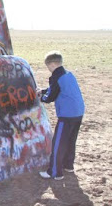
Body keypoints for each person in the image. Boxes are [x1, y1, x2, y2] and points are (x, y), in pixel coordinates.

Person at [37, 51, 85, 180]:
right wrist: (43, 91)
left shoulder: (56, 76)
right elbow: (56, 89)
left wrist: (41, 97)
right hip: (78, 112)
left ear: (52, 65)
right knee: (70, 140)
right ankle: (68, 165)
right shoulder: (68, 74)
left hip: (67, 115)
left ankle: (54, 172)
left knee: (58, 143)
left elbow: (50, 97)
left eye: (48, 67)